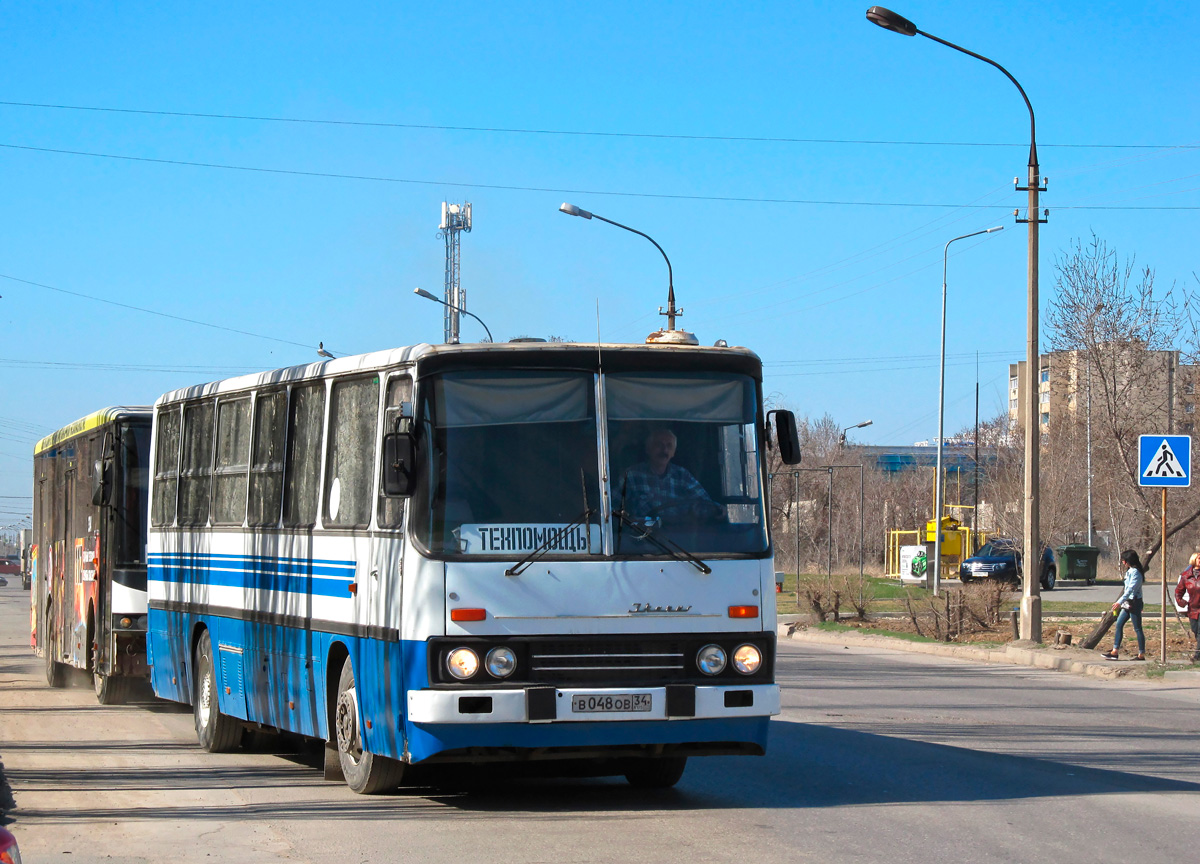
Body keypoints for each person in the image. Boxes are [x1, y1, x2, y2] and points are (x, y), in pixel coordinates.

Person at [620, 427, 721, 523]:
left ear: (673, 453)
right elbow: (613, 508)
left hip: (678, 536)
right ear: (648, 449)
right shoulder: (632, 476)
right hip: (645, 535)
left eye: (669, 446)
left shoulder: (682, 475)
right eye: (659, 445)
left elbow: (705, 504)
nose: (664, 450)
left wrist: (718, 509)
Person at [1102, 550, 1146, 661]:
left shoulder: (1136, 572)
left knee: (1137, 628)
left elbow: (1130, 589)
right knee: (1119, 624)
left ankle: (1141, 654)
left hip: (1134, 603)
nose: (1123, 562)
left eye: (1124, 560)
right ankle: (1114, 651)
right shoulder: (1129, 571)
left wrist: (1119, 602)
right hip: (1127, 603)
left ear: (1128, 561)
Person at [1175, 552, 1200, 663]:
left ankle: (1197, 655)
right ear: (1194, 560)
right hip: (1193, 608)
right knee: (1195, 630)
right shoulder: (1186, 576)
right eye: (1199, 558)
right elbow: (1178, 591)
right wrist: (1181, 602)